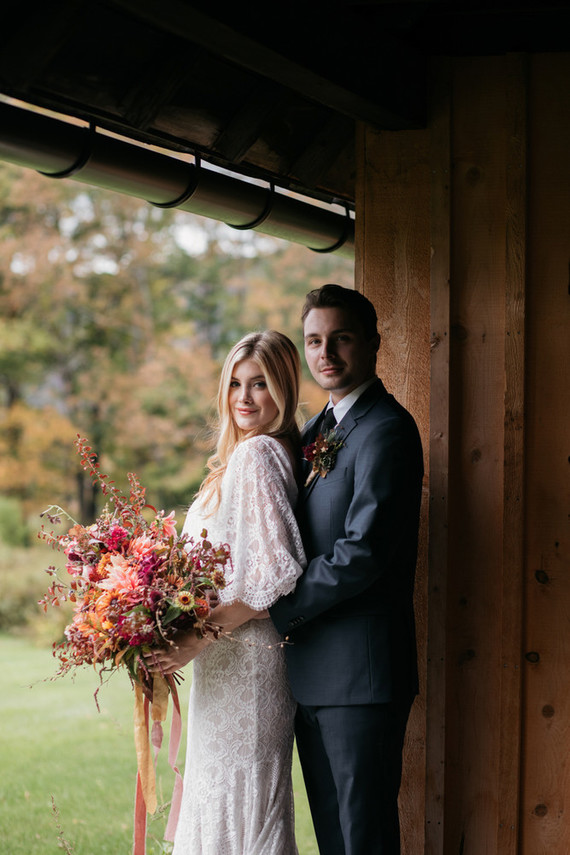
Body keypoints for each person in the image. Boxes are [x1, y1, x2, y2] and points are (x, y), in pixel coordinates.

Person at [269, 284, 424, 855]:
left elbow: (363, 552)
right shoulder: (316, 431)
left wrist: (275, 605)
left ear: (373, 345)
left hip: (360, 678)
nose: (325, 353)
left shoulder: (387, 430)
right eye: (314, 340)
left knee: (365, 838)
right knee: (334, 838)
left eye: (341, 339)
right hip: (310, 673)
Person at [147, 330, 306, 855]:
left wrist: (198, 636)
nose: (244, 397)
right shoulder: (259, 454)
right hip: (226, 662)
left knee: (237, 810)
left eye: (259, 384)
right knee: (227, 804)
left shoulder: (258, 454)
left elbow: (277, 576)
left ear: (283, 387)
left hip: (247, 668)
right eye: (235, 383)